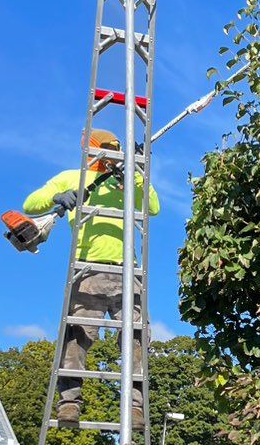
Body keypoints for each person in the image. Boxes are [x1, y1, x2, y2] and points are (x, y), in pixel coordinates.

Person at [23, 129, 161, 429]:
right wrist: (56, 196)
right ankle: (69, 404)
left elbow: (152, 207)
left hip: (127, 271)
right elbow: (30, 204)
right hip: (88, 272)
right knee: (77, 339)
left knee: (138, 339)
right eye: (106, 150)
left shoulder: (125, 181)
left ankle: (135, 408)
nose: (109, 156)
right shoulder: (73, 177)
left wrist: (134, 174)